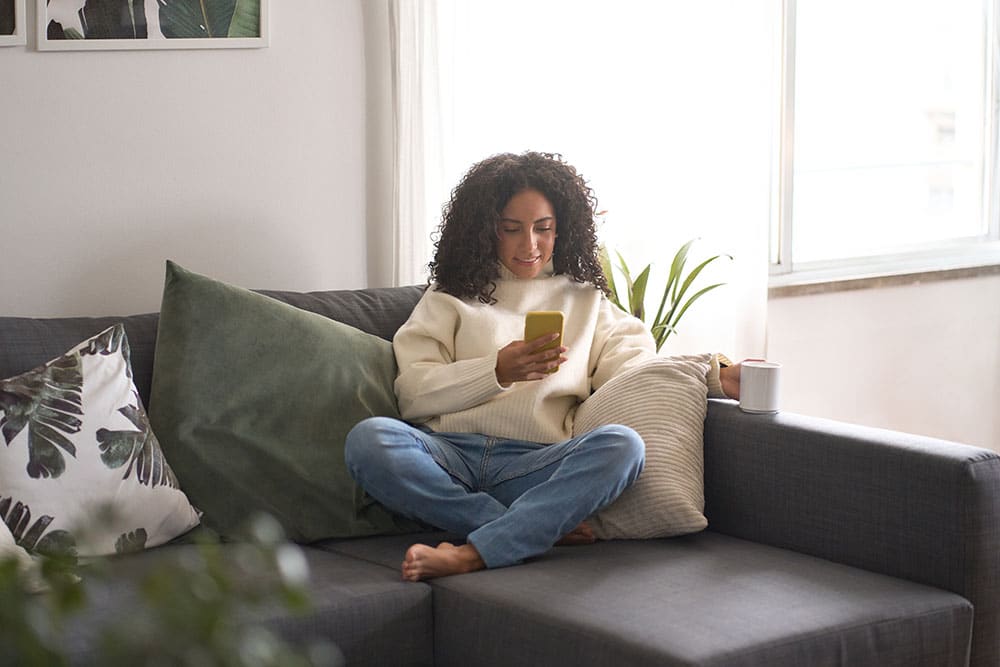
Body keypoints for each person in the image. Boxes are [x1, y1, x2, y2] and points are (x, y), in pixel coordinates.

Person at [345, 151, 745, 581]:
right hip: (448, 455)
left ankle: (475, 552)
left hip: (536, 465)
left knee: (623, 446)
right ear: (486, 229)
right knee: (369, 440)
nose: (529, 245)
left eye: (543, 229)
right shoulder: (449, 296)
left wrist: (711, 376)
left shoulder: (586, 301)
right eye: (511, 229)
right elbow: (413, 393)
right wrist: (497, 371)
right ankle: (520, 528)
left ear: (562, 230)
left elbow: (635, 375)